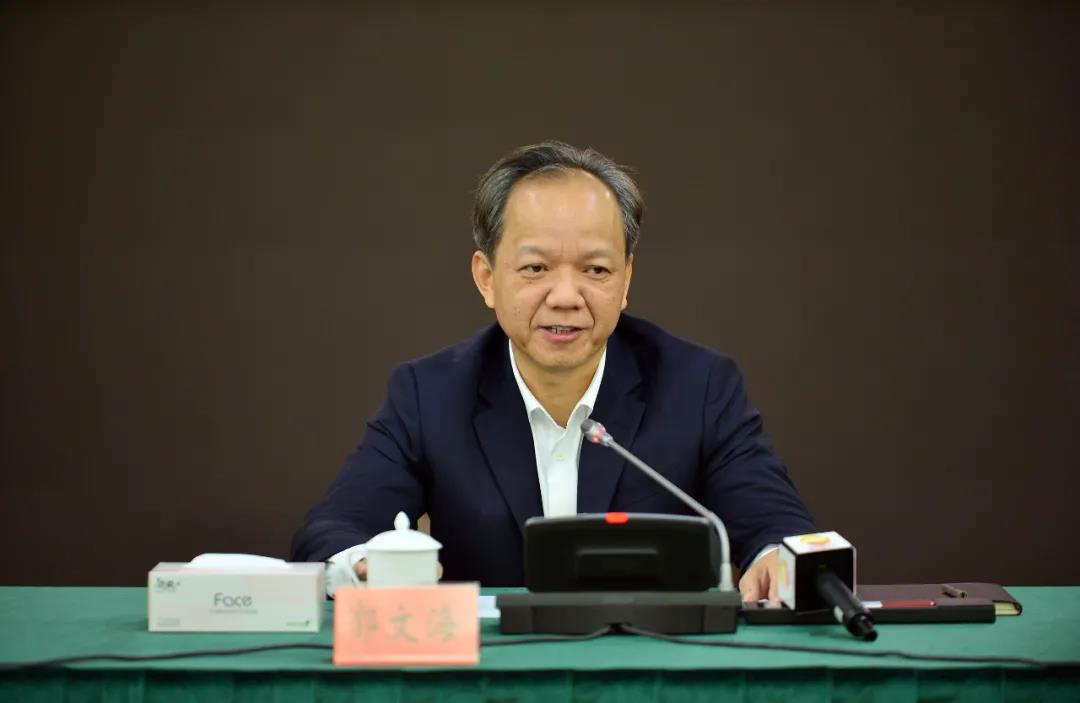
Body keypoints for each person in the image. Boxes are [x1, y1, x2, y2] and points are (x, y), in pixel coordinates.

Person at [290, 140, 816, 602]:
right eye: (536, 268)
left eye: (596, 269)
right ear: (486, 277)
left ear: (626, 279)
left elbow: (775, 523)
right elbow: (334, 529)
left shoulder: (698, 385)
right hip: (493, 668)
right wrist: (362, 564)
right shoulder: (429, 394)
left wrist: (777, 557)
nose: (565, 296)